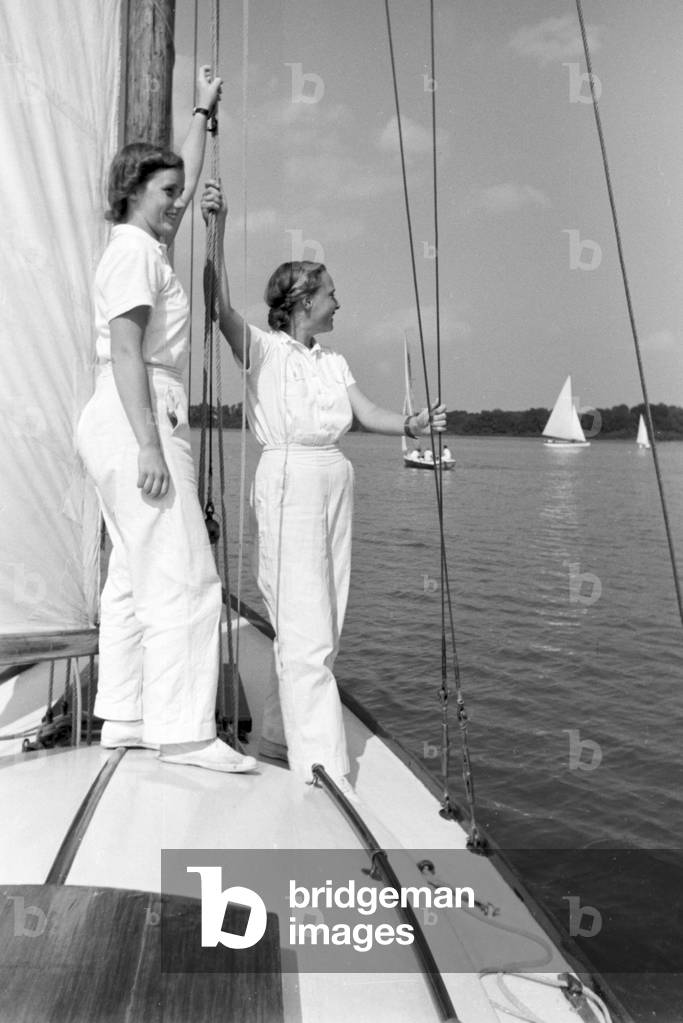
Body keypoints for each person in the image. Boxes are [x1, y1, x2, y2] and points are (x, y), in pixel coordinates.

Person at [200, 181, 446, 793]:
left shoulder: (333, 362)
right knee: (304, 623)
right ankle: (323, 766)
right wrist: (218, 226)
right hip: (289, 478)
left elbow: (365, 413)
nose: (341, 302)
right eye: (332, 292)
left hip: (334, 480)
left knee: (324, 624)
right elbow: (218, 305)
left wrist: (410, 424)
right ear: (303, 300)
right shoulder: (262, 349)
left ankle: (280, 737)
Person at [76, 68, 255, 774]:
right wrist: (151, 444)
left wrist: (202, 111)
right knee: (184, 572)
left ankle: (123, 715)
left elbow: (178, 171)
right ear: (131, 192)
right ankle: (182, 734)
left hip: (126, 413)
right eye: (167, 193)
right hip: (137, 412)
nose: (177, 203)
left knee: (129, 574)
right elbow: (125, 351)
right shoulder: (130, 254)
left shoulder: (143, 246)